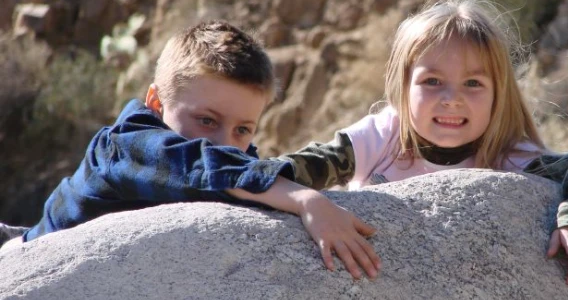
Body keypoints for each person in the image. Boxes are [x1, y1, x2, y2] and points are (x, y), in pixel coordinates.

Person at [0, 21, 380, 280]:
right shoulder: (125, 144)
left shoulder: (233, 161)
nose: (223, 142)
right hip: (27, 259)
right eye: (207, 121)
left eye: (243, 128)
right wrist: (306, 201)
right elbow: (194, 165)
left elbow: (245, 170)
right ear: (155, 103)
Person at [279, 0, 568, 285]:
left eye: (472, 84)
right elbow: (286, 170)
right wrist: (313, 205)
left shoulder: (508, 156)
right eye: (433, 81)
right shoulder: (382, 136)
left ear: (499, 95)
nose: (452, 99)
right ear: (403, 86)